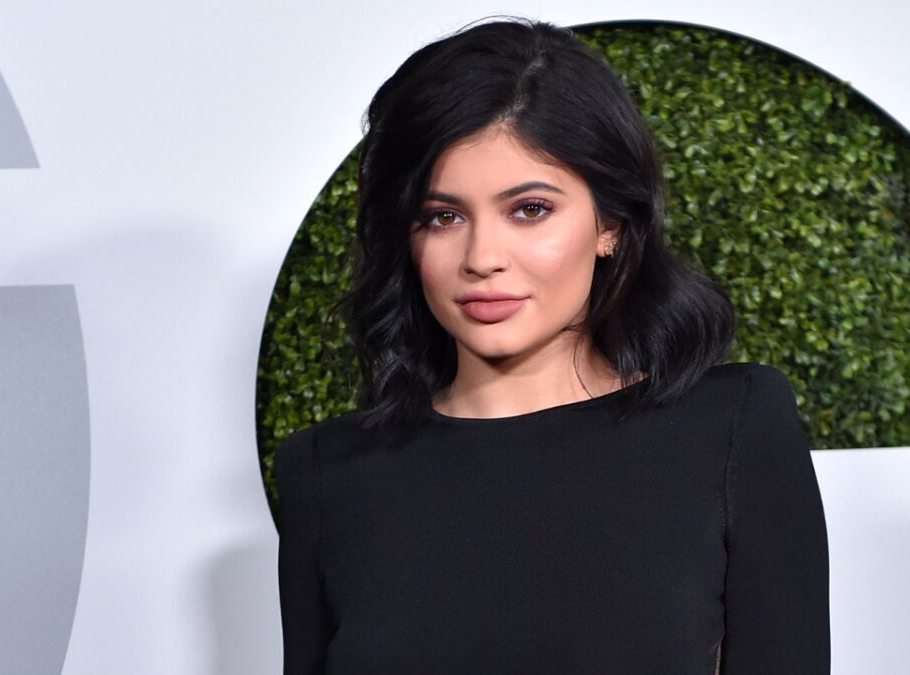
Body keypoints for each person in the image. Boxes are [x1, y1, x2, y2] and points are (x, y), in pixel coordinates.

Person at [273, 16, 830, 674]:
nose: (482, 257)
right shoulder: (327, 472)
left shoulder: (733, 427)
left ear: (611, 223)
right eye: (442, 216)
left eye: (529, 209)